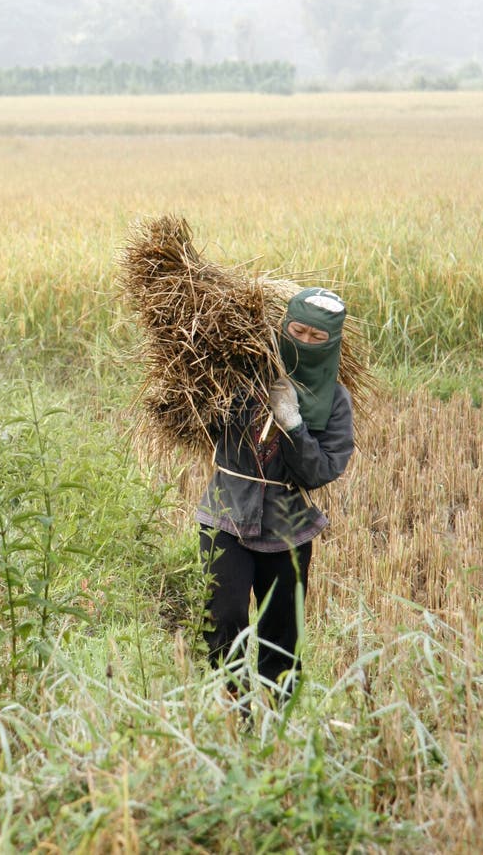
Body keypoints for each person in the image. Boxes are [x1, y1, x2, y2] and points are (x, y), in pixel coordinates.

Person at [196, 287, 354, 703]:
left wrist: (293, 422)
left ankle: (279, 722)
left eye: (316, 337)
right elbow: (198, 418)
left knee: (281, 636)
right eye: (296, 331)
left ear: (332, 341)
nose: (304, 342)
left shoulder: (336, 402)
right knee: (224, 619)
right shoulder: (243, 374)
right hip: (226, 514)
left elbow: (320, 471)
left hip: (288, 528)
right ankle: (233, 713)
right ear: (282, 328)